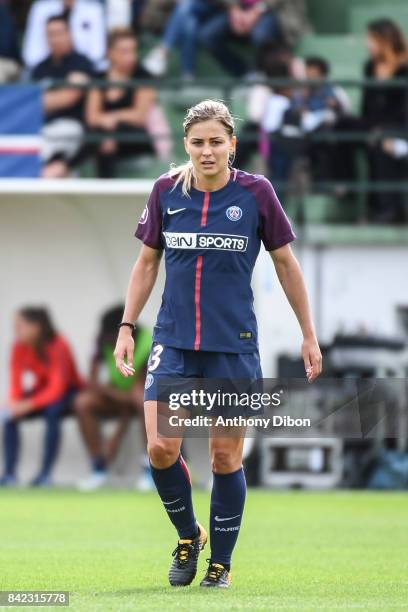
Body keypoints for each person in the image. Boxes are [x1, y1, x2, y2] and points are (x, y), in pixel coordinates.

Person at [113, 99, 322, 587]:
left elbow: (286, 265)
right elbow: (146, 265)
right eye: (198, 143)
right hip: (174, 342)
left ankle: (221, 566)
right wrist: (126, 327)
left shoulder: (257, 193)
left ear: (232, 144)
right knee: (162, 447)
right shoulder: (166, 191)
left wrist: (307, 334)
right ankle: (190, 535)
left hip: (233, 346)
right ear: (185, 144)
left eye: (216, 142)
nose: (207, 152)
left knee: (225, 458)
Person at [335, 19, 408, 223]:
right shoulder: (370, 66)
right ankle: (345, 185)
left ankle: (388, 210)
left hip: (398, 127)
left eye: (372, 39)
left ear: (385, 40)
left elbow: (403, 111)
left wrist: (380, 131)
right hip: (374, 124)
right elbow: (367, 108)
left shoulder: (404, 68)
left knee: (381, 145)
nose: (368, 44)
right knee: (342, 124)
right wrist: (372, 130)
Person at [0, 307, 83, 487]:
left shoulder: (59, 344)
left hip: (68, 390)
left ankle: (45, 474)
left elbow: (57, 388)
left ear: (36, 327)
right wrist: (14, 403)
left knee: (52, 412)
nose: (15, 330)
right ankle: (9, 474)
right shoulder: (18, 346)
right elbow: (16, 381)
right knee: (9, 416)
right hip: (42, 390)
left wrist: (28, 404)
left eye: (20, 326)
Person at [73, 305, 153, 491]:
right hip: (118, 394)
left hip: (145, 395)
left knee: (142, 399)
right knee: (82, 402)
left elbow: (142, 386)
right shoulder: (103, 339)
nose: (110, 341)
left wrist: (117, 434)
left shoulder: (149, 341)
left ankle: (151, 468)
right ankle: (98, 468)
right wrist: (113, 393)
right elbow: (92, 382)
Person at [86, 28, 167, 178]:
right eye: (124, 51)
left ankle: (104, 189)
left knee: (109, 136)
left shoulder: (144, 76)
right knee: (100, 136)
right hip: (105, 134)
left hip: (137, 137)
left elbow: (139, 116)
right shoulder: (98, 78)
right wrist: (109, 123)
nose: (130, 56)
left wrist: (113, 118)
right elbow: (92, 117)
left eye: (133, 51)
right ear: (110, 53)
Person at [31, 14, 94, 178]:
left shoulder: (81, 62)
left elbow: (70, 97)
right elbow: (31, 104)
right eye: (50, 34)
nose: (55, 39)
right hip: (42, 127)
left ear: (69, 34)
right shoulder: (40, 68)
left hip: (72, 127)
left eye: (59, 33)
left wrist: (45, 99)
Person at [199, 0, 308, 77]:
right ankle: (246, 74)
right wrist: (234, 9)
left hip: (271, 11)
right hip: (238, 11)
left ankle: (264, 76)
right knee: (208, 35)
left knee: (261, 36)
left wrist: (255, 12)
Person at [142, 0, 221, 80]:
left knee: (185, 6)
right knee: (190, 25)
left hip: (217, 8)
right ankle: (188, 74)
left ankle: (163, 50)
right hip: (190, 11)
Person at [23, 0, 106, 72]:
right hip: (47, 69)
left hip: (84, 69)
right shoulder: (40, 8)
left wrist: (79, 67)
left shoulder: (94, 9)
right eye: (53, 34)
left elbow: (97, 52)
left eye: (60, 33)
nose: (57, 39)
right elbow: (31, 54)